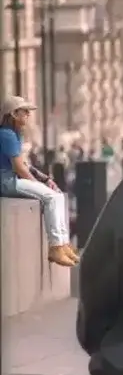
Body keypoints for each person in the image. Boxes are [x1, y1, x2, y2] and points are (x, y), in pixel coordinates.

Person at [0, 96, 79, 267]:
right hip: (6, 181)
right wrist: (38, 184)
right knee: (51, 197)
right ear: (14, 114)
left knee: (57, 195)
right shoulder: (6, 135)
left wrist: (45, 179)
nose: (28, 114)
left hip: (12, 179)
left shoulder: (14, 134)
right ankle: (56, 247)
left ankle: (63, 244)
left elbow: (26, 165)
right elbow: (19, 168)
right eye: (24, 111)